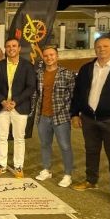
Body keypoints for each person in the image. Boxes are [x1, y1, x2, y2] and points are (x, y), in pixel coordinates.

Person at [70, 35, 110, 206]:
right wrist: (75, 114)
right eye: (98, 46)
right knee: (91, 151)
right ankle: (91, 180)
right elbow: (77, 93)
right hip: (89, 118)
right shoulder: (86, 69)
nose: (102, 49)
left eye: (105, 46)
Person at [0, 38, 36, 178]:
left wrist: (15, 102)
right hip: (2, 107)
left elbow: (30, 87)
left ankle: (18, 167)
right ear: (5, 49)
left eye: (14, 46)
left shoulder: (27, 66)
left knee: (19, 138)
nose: (11, 48)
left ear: (19, 48)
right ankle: (1, 165)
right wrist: (3, 101)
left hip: (19, 107)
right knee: (2, 136)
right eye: (8, 46)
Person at [34, 46, 75, 188]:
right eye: (46, 56)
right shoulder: (39, 74)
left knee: (65, 146)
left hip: (61, 117)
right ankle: (46, 169)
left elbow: (73, 96)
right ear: (43, 58)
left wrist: (69, 113)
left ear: (57, 56)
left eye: (51, 55)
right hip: (43, 117)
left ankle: (68, 174)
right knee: (45, 144)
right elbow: (36, 95)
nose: (49, 58)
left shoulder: (67, 74)